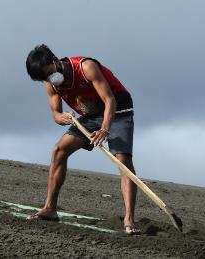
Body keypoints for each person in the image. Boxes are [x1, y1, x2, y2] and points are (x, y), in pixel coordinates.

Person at [25, 44, 140, 234]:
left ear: (55, 60)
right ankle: (50, 209)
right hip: (92, 114)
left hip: (118, 108)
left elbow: (110, 99)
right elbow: (55, 111)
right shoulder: (49, 81)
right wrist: (58, 117)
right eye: (44, 78)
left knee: (123, 159)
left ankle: (129, 219)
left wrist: (105, 129)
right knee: (59, 150)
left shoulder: (86, 67)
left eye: (49, 73)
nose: (49, 79)